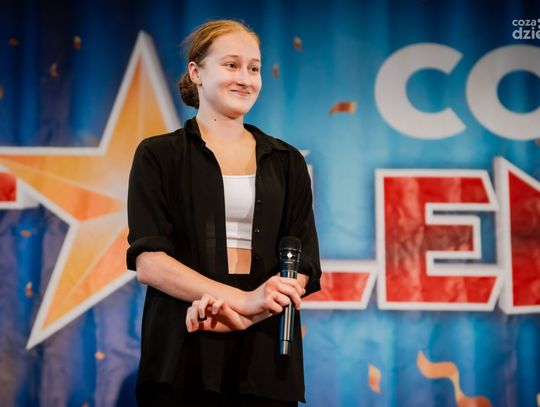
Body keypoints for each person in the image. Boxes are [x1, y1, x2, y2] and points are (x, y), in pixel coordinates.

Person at [126, 19, 321, 406]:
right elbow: (150, 262)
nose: (245, 79)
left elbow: (303, 265)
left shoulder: (287, 162)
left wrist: (247, 313)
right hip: (184, 345)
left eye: (254, 68)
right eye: (231, 65)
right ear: (196, 73)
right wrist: (242, 300)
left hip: (266, 358)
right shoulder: (158, 155)